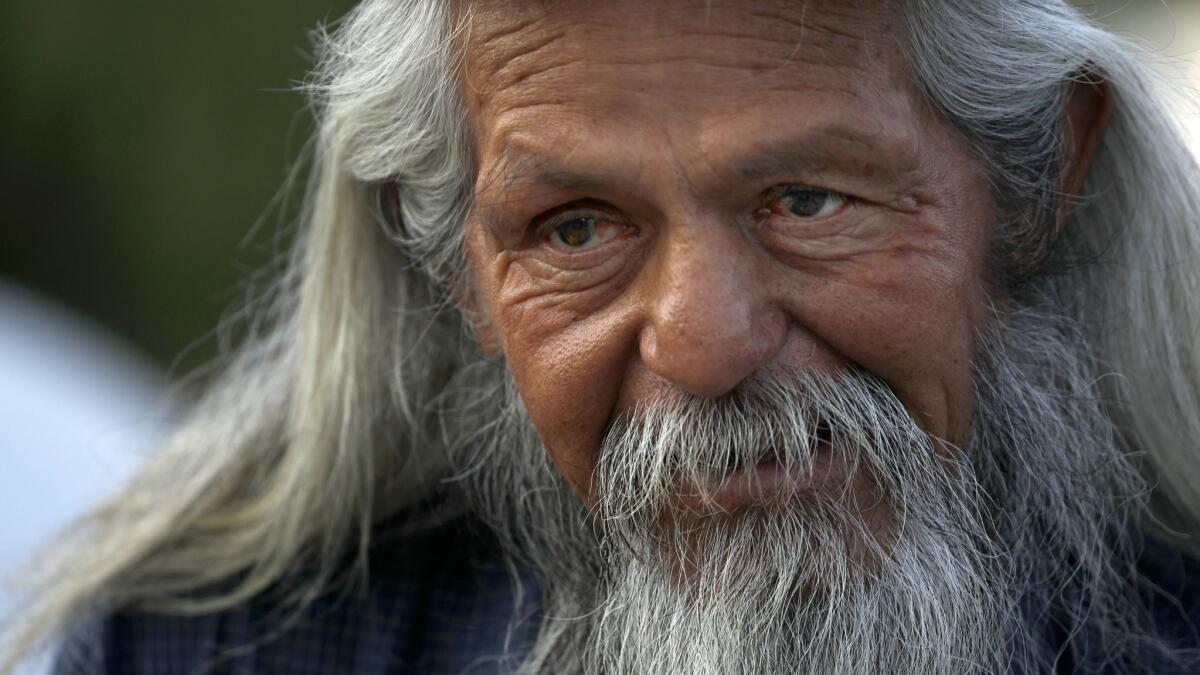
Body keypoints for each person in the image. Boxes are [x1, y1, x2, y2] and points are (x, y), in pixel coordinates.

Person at [5, 1, 1200, 673]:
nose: (705, 346)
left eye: (809, 200)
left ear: (1045, 180)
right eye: (576, 228)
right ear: (459, 274)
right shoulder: (228, 655)